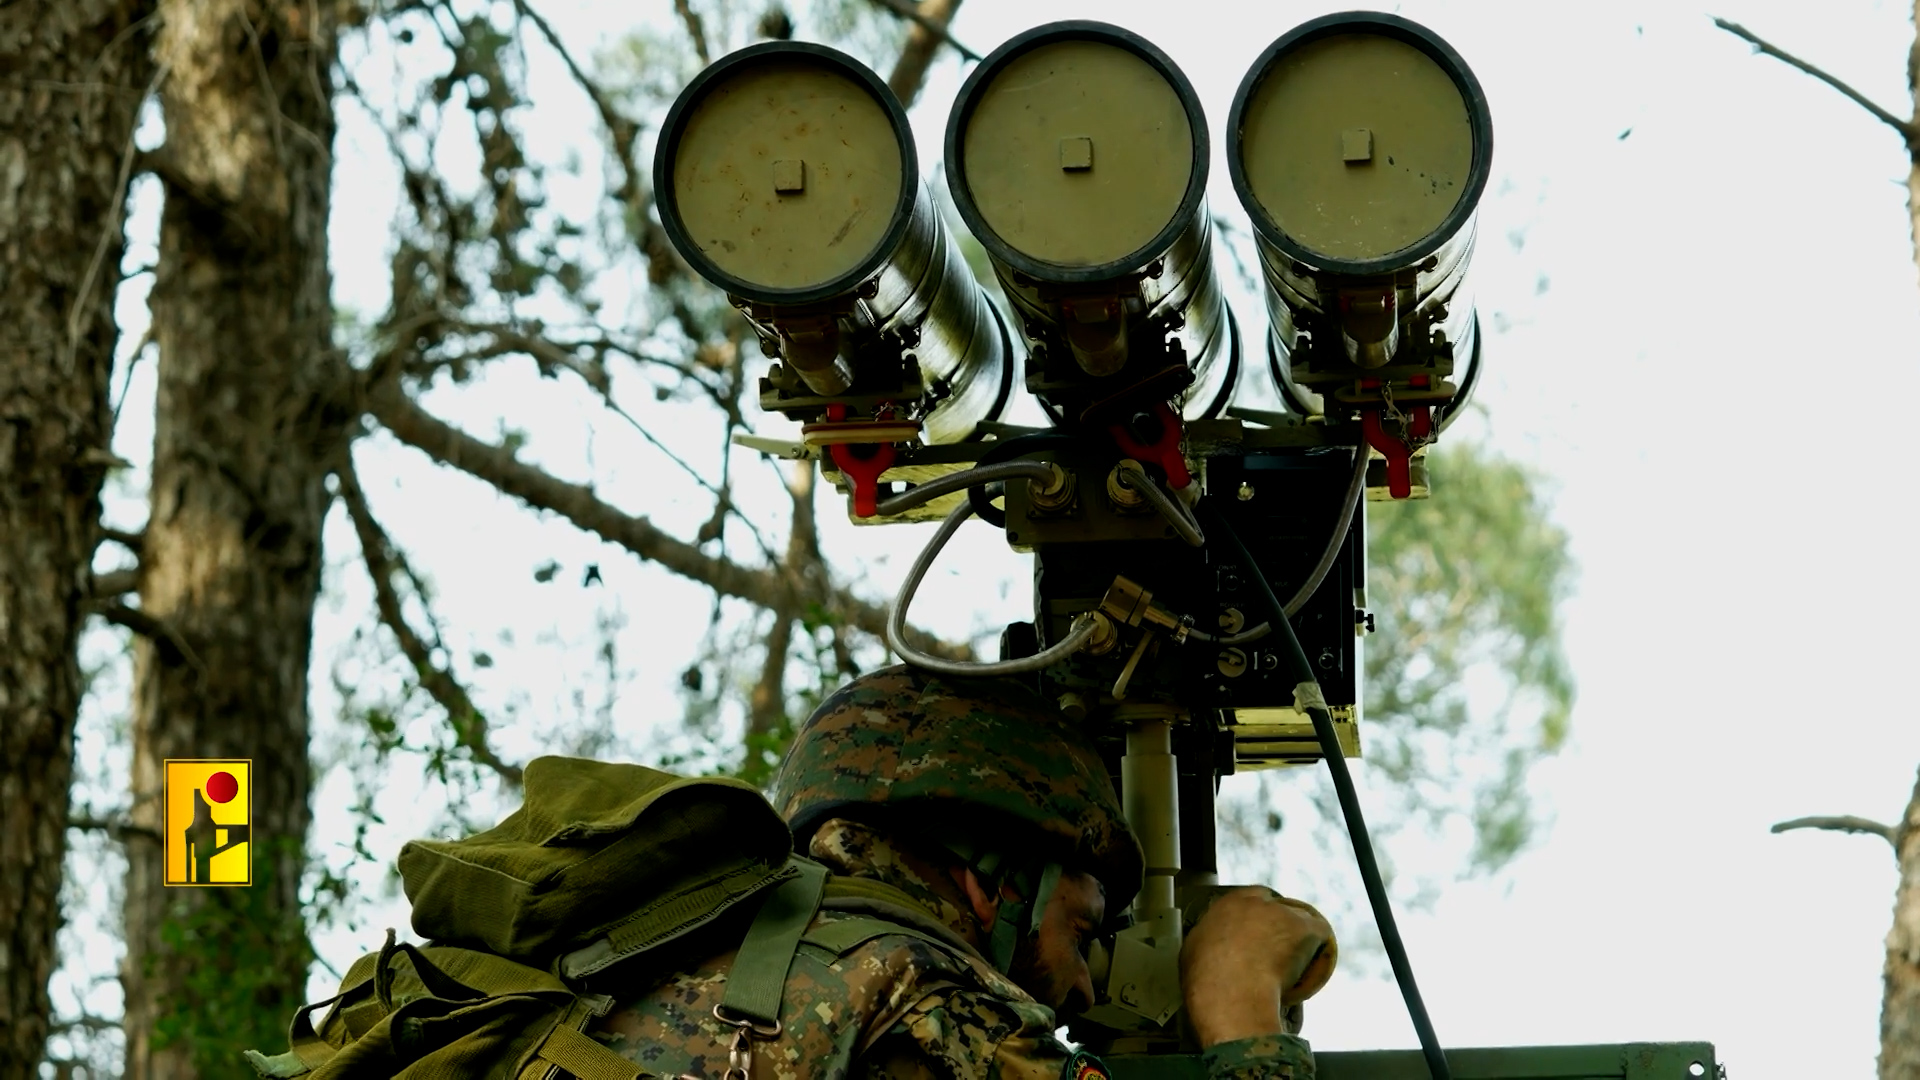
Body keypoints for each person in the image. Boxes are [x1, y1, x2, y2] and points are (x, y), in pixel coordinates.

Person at [587, 666, 1336, 1080]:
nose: (1083, 989)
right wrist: (1241, 1016)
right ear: (990, 877)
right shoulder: (927, 994)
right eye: (1080, 932)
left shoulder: (664, 950)